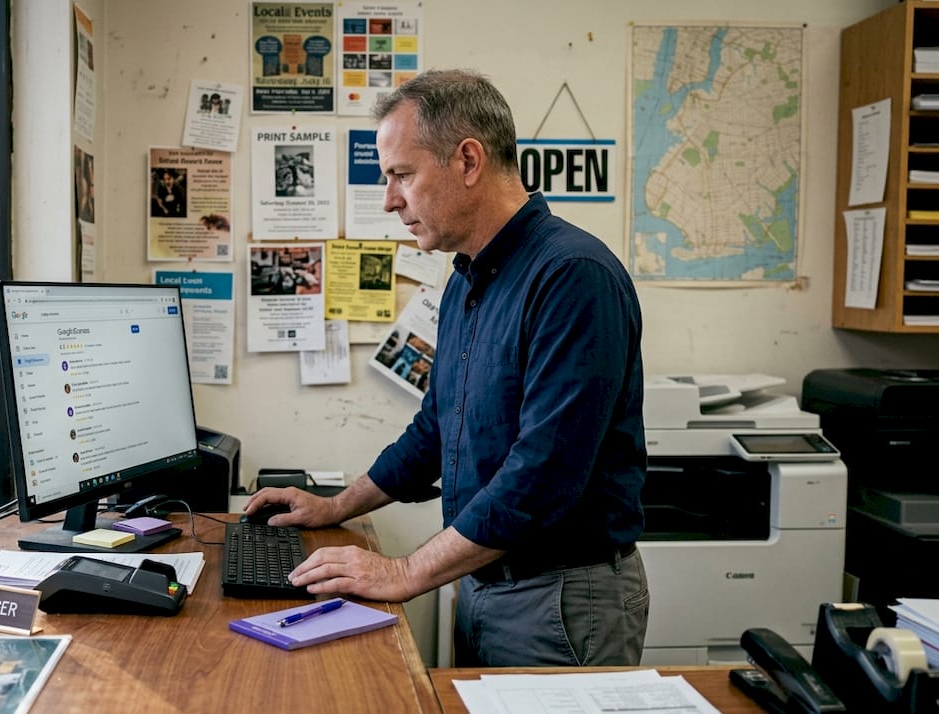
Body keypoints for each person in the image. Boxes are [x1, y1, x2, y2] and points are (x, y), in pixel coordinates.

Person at [243, 68, 649, 668]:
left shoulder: (572, 276)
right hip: (483, 581)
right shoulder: (466, 279)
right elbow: (437, 429)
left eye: (403, 175)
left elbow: (543, 474)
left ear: (467, 160)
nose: (389, 200)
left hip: (561, 598)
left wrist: (405, 570)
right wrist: (335, 506)